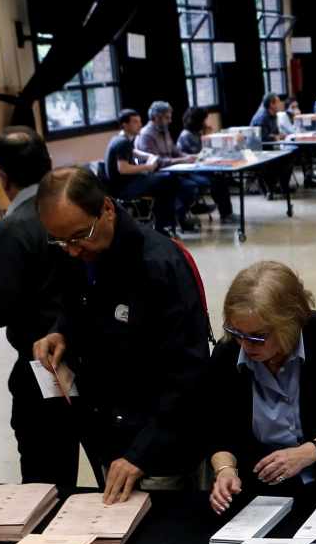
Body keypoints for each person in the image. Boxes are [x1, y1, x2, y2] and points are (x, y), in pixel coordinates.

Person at [33, 167, 209, 503]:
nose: (71, 249)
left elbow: (188, 372)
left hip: (159, 446)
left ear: (108, 209)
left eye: (78, 236)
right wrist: (60, 332)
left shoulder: (159, 265)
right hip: (107, 434)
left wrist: (141, 454)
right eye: (60, 240)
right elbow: (75, 308)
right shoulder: (77, 253)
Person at [203, 262, 316, 514]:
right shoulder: (227, 353)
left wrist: (305, 454)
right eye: (236, 332)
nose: (245, 345)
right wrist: (225, 470)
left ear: (289, 323)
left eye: (257, 336)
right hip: (262, 492)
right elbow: (217, 429)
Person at [0, 127, 78, 494]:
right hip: (90, 352)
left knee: (45, 478)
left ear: (2, 177)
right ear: (48, 163)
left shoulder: (14, 227)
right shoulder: (76, 208)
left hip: (41, 365)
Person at [105, 109, 195, 234]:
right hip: (124, 188)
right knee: (168, 180)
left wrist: (150, 157)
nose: (140, 125)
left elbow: (135, 153)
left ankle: (166, 222)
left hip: (126, 184)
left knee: (167, 182)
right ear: (125, 125)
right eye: (135, 122)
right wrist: (147, 167)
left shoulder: (120, 138)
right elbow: (123, 168)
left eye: (140, 121)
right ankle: (165, 224)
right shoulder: (122, 142)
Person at [138, 100, 223, 223]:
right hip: (158, 174)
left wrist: (191, 157)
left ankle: (190, 209)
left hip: (174, 170)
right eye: (167, 117)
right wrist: (183, 159)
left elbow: (176, 151)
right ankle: (180, 218)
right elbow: (156, 161)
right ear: (157, 117)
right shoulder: (147, 135)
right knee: (190, 186)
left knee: (205, 181)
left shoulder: (165, 130)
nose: (170, 121)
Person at [175, 106, 235, 220]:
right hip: (189, 170)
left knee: (219, 176)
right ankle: (226, 213)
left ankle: (226, 212)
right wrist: (207, 136)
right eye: (204, 120)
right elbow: (201, 154)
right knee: (217, 179)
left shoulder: (195, 133)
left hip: (198, 166)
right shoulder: (187, 135)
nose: (206, 122)